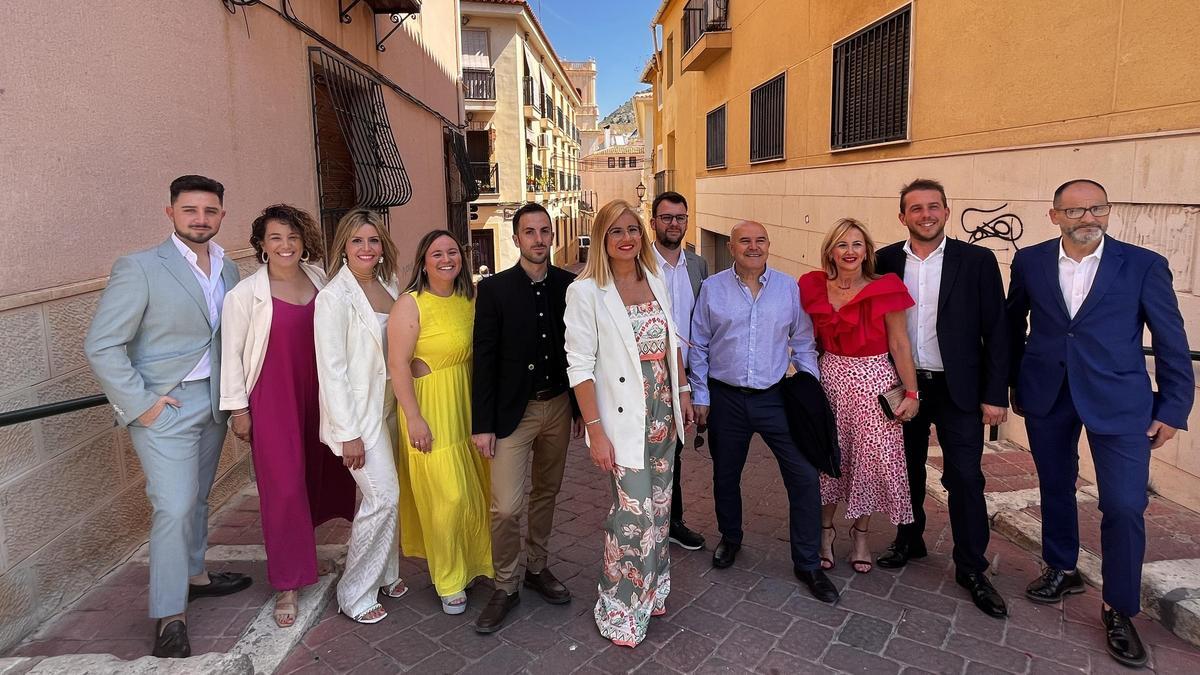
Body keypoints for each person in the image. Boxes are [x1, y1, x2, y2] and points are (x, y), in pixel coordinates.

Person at [1008, 179, 1194, 668]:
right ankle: (1062, 566)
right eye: (1074, 211)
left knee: (1125, 505)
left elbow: (1171, 338)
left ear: (1108, 211)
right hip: (1048, 394)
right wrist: (1006, 388)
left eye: (1097, 208)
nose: (1087, 218)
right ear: (1054, 216)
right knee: (1054, 486)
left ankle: (1119, 607)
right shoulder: (1029, 261)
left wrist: (1173, 407)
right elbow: (1012, 326)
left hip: (1120, 401)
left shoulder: (1142, 265)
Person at [84, 175, 250, 658]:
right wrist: (144, 404)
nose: (200, 219)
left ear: (221, 215)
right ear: (170, 213)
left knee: (197, 498)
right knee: (173, 506)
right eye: (189, 210)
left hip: (214, 402)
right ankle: (169, 615)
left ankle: (195, 574)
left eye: (210, 211)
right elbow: (101, 344)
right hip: (166, 407)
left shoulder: (230, 268)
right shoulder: (139, 267)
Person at [875, 178, 1011, 618]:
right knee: (906, 468)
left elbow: (998, 330)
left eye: (934, 207)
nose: (926, 215)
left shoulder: (977, 260)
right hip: (905, 385)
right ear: (902, 217)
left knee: (966, 478)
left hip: (960, 389)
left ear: (947, 212)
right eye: (915, 209)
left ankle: (971, 567)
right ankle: (909, 539)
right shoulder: (885, 260)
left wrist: (995, 395)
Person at [220, 204, 357, 628]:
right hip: (273, 398)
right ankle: (287, 582)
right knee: (282, 488)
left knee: (325, 472)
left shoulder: (320, 277)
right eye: (276, 237)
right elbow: (231, 357)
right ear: (261, 244)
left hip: (321, 393)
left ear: (304, 242)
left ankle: (328, 548)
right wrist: (238, 410)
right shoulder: (244, 295)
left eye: (293, 237)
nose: (286, 245)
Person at [564, 199, 693, 647]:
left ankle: (651, 588)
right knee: (632, 516)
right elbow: (579, 367)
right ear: (602, 238)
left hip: (662, 414)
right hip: (622, 420)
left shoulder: (655, 279)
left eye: (633, 230)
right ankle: (618, 604)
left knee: (658, 511)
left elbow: (672, 341)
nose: (626, 239)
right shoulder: (586, 291)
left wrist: (682, 394)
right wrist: (595, 430)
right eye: (616, 231)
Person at [689, 220, 839, 604]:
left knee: (804, 476)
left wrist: (809, 389)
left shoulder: (789, 288)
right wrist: (702, 396)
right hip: (726, 400)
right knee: (726, 475)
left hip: (775, 398)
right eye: (744, 241)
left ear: (769, 245)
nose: (752, 247)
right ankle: (731, 538)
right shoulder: (712, 288)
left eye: (759, 240)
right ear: (733, 247)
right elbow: (700, 345)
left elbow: (803, 341)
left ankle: (806, 562)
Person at [471, 203, 581, 633]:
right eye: (529, 232)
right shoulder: (495, 289)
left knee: (546, 494)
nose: (538, 239)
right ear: (516, 239)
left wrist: (577, 408)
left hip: (556, 406)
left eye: (544, 231)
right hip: (511, 415)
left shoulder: (570, 286)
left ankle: (536, 568)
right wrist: (483, 424)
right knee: (505, 507)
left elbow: (579, 352)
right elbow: (484, 359)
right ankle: (505, 584)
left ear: (552, 236)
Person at [798, 219, 918, 575]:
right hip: (830, 379)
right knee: (828, 459)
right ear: (830, 250)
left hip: (875, 381)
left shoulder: (886, 287)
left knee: (869, 462)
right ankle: (825, 531)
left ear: (867, 250)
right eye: (842, 245)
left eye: (857, 244)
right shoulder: (812, 286)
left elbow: (899, 343)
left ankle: (861, 534)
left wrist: (911, 393)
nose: (850, 252)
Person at [389, 229, 493, 615]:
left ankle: (474, 564)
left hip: (467, 402)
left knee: (475, 490)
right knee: (447, 497)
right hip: (430, 407)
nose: (446, 258)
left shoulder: (470, 298)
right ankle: (448, 579)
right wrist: (413, 418)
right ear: (423, 261)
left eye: (453, 251)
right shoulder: (410, 304)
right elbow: (398, 365)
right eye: (437, 253)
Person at [314, 209, 407, 625]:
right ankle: (354, 592)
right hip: (359, 415)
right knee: (381, 496)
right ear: (344, 248)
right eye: (357, 241)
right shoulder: (333, 298)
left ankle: (386, 573)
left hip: (391, 405)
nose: (366, 248)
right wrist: (347, 434)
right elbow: (331, 370)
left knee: (394, 495)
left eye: (372, 241)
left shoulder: (391, 284)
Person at [650, 191, 709, 551]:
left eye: (680, 217)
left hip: (685, 372)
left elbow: (703, 324)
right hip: (649, 373)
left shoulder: (698, 266)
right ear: (653, 221)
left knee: (676, 449)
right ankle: (648, 519)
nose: (674, 224)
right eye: (667, 217)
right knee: (648, 450)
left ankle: (673, 521)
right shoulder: (640, 265)